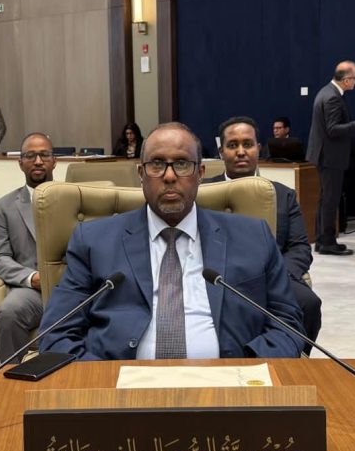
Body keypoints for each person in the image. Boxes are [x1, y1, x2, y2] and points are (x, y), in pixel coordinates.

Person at [37, 122, 305, 360]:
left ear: (200, 173)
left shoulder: (253, 236)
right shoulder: (94, 241)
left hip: (229, 387)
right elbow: (57, 333)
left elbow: (287, 323)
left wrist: (246, 373)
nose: (169, 176)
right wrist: (107, 382)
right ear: (141, 174)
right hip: (123, 389)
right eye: (156, 164)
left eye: (182, 164)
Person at [207, 116, 321, 353]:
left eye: (247, 144)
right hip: (217, 276)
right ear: (221, 152)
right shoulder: (204, 192)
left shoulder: (283, 195)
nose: (241, 152)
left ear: (258, 149)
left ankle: (292, 360)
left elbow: (299, 247)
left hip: (274, 275)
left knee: (309, 303)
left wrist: (277, 275)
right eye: (233, 145)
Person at [0, 133, 57, 360]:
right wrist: (32, 278)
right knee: (8, 313)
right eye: (30, 156)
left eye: (44, 155)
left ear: (54, 161)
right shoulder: (4, 207)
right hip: (32, 291)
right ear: (20, 163)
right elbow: (0, 259)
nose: (38, 161)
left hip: (74, 286)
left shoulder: (76, 198)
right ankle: (10, 376)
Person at [306, 61, 355, 256]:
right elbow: (333, 129)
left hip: (325, 155)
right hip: (330, 156)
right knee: (330, 200)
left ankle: (322, 240)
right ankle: (327, 242)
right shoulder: (332, 97)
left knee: (326, 199)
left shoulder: (326, 91)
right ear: (346, 80)